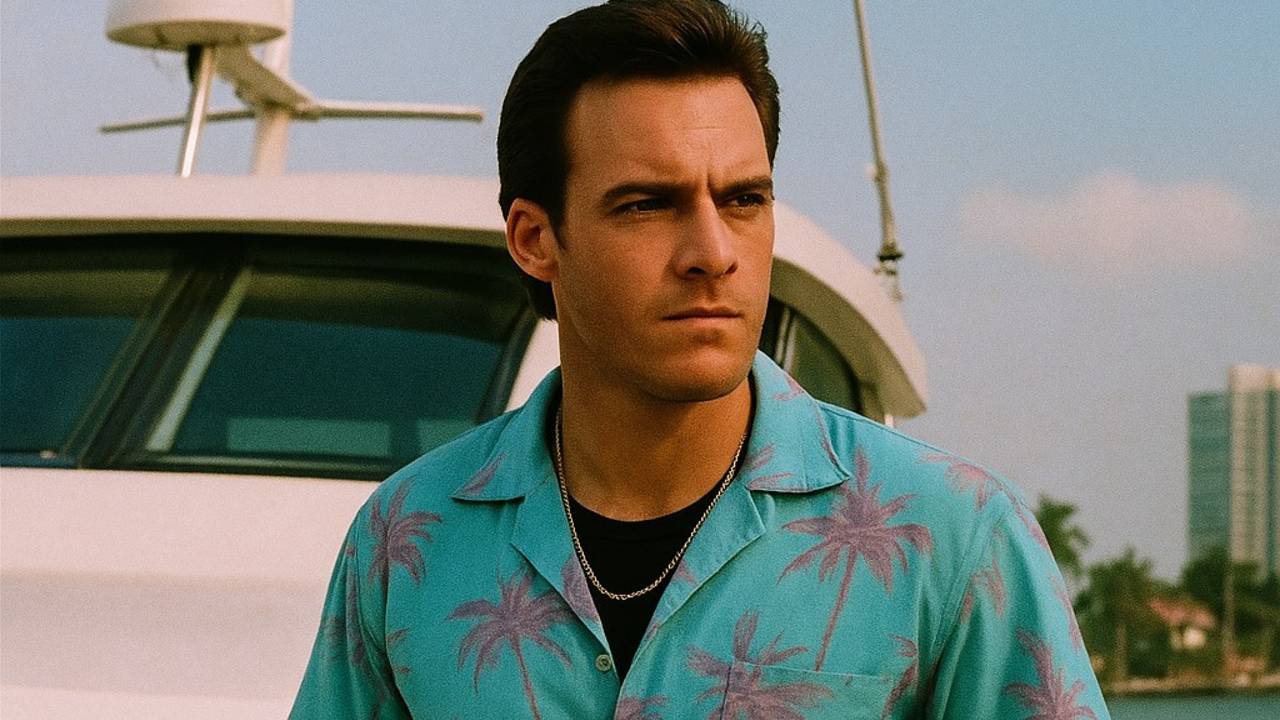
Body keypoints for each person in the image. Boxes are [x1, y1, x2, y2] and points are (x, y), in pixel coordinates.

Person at [291, 1, 1110, 717]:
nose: (714, 253)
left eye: (744, 199)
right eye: (648, 204)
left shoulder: (954, 536)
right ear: (536, 239)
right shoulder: (405, 542)